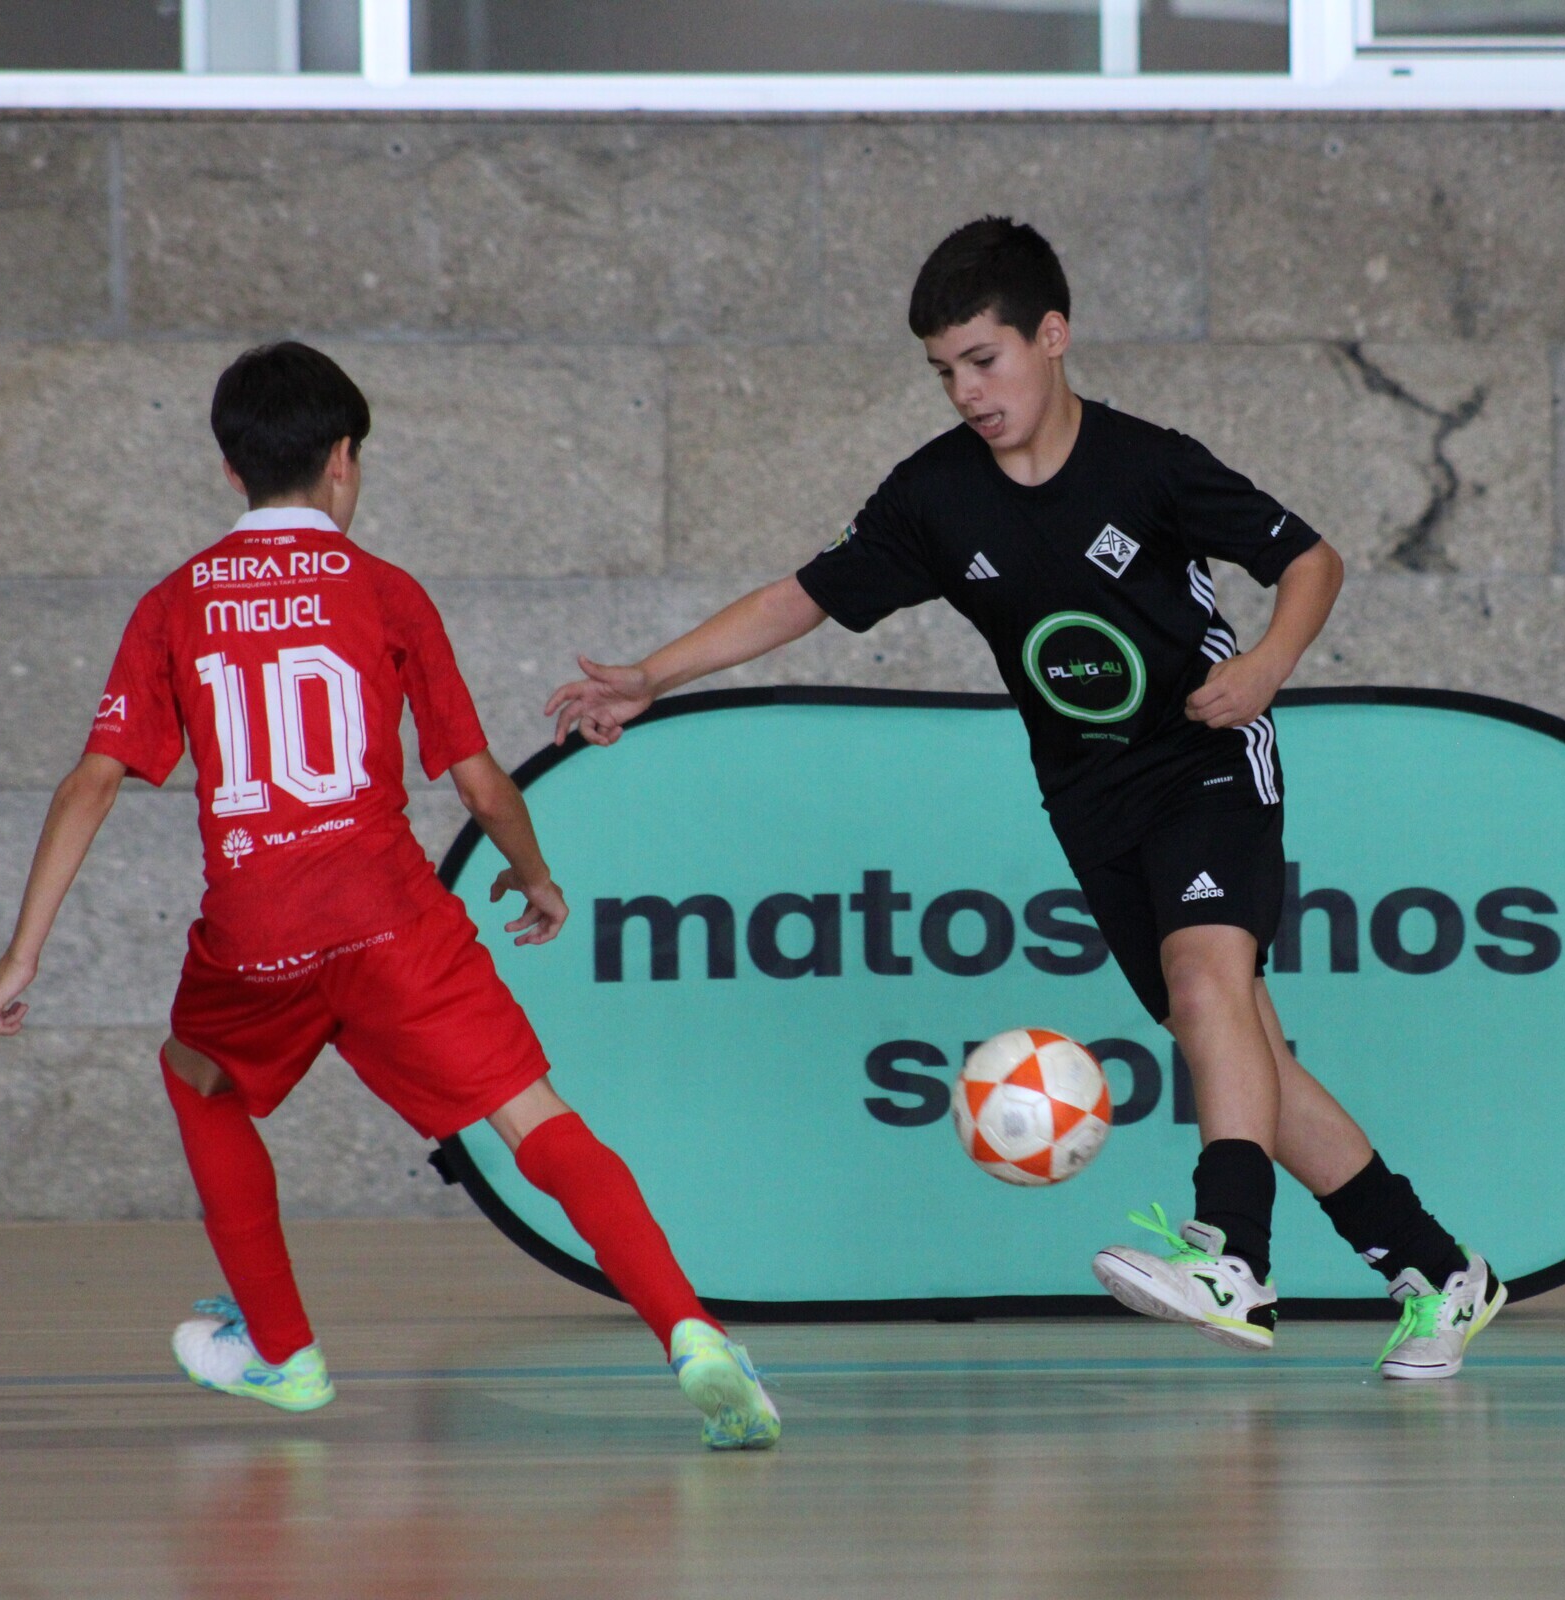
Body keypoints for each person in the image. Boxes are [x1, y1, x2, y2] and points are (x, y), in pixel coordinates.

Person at [547, 218, 1505, 1378]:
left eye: (983, 360)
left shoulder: (1149, 465)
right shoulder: (935, 496)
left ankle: (1233, 1256)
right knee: (1239, 1049)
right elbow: (800, 595)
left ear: (1052, 337)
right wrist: (651, 674)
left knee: (1208, 981)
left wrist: (1266, 663)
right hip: (1089, 799)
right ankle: (1440, 1271)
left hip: (1205, 757)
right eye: (943, 370)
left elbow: (1312, 559)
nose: (966, 391)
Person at [0, 342, 780, 1448]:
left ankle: (284, 1350)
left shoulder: (175, 603)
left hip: (257, 933)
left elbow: (93, 782)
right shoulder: (386, 592)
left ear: (229, 468)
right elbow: (480, 783)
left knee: (197, 1076)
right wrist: (535, 876)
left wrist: (23, 952)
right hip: (393, 919)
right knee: (534, 1119)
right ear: (344, 459)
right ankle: (692, 1333)